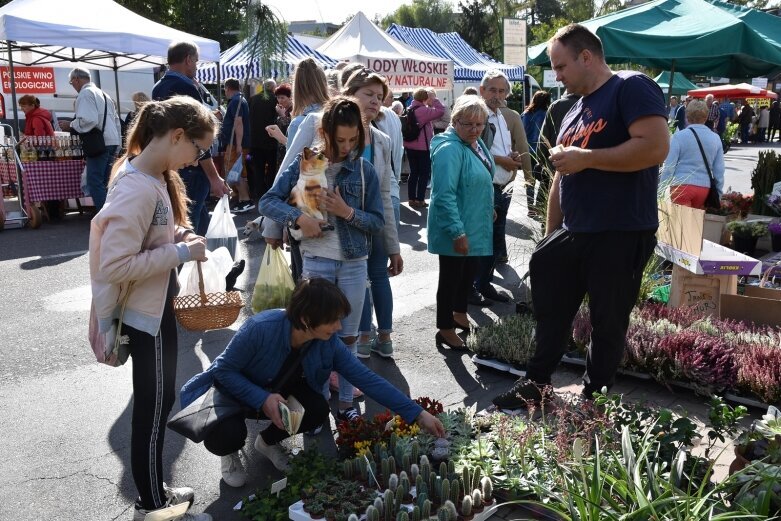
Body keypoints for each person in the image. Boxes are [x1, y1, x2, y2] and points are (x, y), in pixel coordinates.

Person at [491, 23, 668, 409]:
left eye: (560, 66)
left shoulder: (630, 86)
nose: (556, 76)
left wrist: (587, 159)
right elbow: (561, 175)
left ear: (586, 56)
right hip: (574, 230)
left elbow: (655, 147)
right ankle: (536, 384)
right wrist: (551, 235)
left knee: (608, 322)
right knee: (550, 313)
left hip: (620, 231)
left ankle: (594, 397)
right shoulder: (574, 110)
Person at [179, 278, 445, 488]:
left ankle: (268, 442)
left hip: (279, 394)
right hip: (236, 392)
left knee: (316, 409)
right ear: (307, 320)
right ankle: (230, 454)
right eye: (333, 320)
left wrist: (417, 413)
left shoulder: (327, 343)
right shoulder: (260, 328)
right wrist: (262, 398)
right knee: (225, 436)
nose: (339, 327)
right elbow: (224, 372)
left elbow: (367, 379)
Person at [89, 95, 216, 521]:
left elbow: (152, 232)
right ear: (177, 135)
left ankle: (154, 493)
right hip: (147, 316)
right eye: (198, 150)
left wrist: (179, 235)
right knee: (153, 407)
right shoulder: (138, 185)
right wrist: (179, 255)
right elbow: (114, 264)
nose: (197, 160)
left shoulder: (147, 175)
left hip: (153, 309)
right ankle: (153, 504)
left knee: (155, 405)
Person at [259, 96, 385, 423]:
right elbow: (267, 202)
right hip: (316, 260)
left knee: (349, 338)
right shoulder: (308, 162)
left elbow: (377, 221)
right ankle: (315, 410)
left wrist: (347, 212)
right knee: (314, 337)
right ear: (325, 132)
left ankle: (345, 405)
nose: (345, 147)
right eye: (339, 139)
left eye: (353, 139)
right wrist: (299, 219)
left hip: (354, 263)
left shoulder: (363, 169)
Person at [340, 67, 403, 359]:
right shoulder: (335, 133)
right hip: (343, 221)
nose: (375, 101)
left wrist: (394, 247)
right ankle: (363, 337)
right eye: (368, 94)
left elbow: (387, 195)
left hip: (374, 219)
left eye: (380, 96)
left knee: (377, 274)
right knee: (359, 275)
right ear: (349, 94)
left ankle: (385, 337)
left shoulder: (382, 140)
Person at [428, 95, 495, 350]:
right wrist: (457, 232)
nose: (475, 129)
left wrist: (488, 209)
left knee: (467, 274)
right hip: (456, 227)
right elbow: (443, 195)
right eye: (468, 124)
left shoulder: (474, 143)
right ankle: (445, 327)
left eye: (480, 124)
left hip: (474, 222)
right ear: (455, 121)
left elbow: (479, 178)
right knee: (451, 278)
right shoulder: (449, 149)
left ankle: (458, 313)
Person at [152, 41, 230, 235]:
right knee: (190, 221)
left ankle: (204, 259)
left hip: (173, 163)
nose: (196, 65)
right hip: (192, 165)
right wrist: (214, 176)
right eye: (195, 60)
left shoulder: (158, 87)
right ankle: (193, 262)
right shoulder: (186, 87)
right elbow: (196, 137)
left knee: (193, 215)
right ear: (188, 59)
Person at [471, 71, 530, 306]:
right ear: (482, 90)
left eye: (501, 90)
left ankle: (483, 284)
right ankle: (478, 286)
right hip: (488, 185)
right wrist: (503, 160)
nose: (497, 95)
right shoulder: (478, 114)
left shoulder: (501, 115)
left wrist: (512, 157)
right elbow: (473, 148)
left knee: (494, 237)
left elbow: (504, 146)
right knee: (485, 239)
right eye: (492, 90)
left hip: (503, 183)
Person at [59, 68, 122, 211]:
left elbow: (88, 120)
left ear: (76, 79)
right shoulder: (105, 95)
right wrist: (117, 146)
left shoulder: (85, 93)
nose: (73, 86)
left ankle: (105, 220)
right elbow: (116, 122)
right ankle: (114, 216)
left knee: (95, 183)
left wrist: (71, 125)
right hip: (112, 141)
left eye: (71, 82)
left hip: (99, 143)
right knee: (107, 183)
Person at [661, 99, 724, 209]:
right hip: (704, 188)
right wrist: (718, 193)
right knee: (696, 224)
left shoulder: (678, 137)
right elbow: (719, 170)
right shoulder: (715, 138)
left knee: (680, 224)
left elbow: (669, 167)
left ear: (687, 116)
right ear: (706, 117)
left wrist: (660, 191)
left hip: (680, 186)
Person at [535, 91, 580, 217]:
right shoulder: (591, 103)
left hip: (555, 167)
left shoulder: (557, 105)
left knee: (551, 214)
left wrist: (541, 161)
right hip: (582, 170)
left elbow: (543, 139)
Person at [403, 88, 445, 208]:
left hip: (409, 145)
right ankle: (420, 199)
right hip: (422, 147)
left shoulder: (410, 108)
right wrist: (434, 99)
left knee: (413, 172)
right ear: (424, 98)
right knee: (424, 173)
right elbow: (441, 111)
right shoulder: (423, 111)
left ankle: (411, 198)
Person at [220, 78, 254, 213]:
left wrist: (238, 144)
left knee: (234, 171)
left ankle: (245, 200)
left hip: (236, 143)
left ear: (227, 88)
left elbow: (238, 123)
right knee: (238, 171)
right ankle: (241, 200)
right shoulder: (240, 100)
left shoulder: (236, 101)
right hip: (237, 142)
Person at [522, 90, 552, 218]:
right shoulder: (547, 114)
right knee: (543, 179)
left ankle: (530, 208)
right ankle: (539, 206)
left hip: (526, 150)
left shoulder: (525, 114)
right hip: (541, 151)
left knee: (530, 181)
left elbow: (521, 133)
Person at [249, 79, 280, 200]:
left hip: (255, 140)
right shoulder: (274, 99)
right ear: (273, 88)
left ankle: (258, 192)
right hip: (270, 140)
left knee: (258, 168)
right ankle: (269, 191)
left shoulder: (253, 99)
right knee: (271, 168)